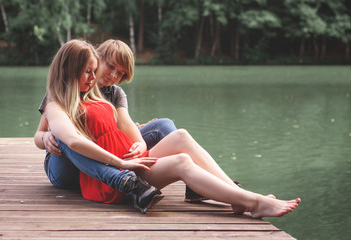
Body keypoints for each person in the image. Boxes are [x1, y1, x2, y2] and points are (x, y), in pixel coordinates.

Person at [44, 39, 300, 218]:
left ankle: (239, 196)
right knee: (181, 162)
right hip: (102, 175)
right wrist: (45, 137)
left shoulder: (100, 95)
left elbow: (123, 124)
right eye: (91, 70)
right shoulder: (58, 102)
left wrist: (139, 142)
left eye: (94, 71)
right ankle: (253, 201)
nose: (101, 76)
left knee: (180, 136)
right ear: (76, 68)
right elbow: (72, 141)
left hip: (124, 162)